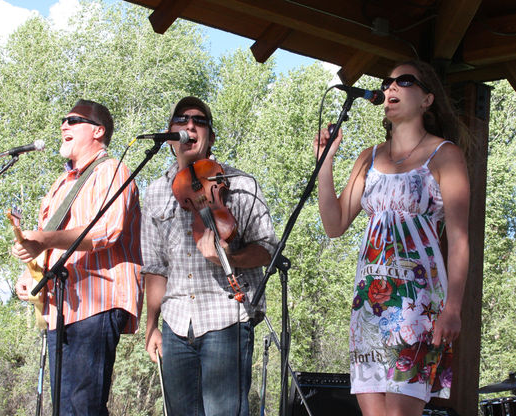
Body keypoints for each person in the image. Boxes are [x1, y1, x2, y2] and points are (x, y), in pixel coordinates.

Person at [313, 61, 470, 416]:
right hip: (368, 300)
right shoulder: (367, 157)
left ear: (428, 99)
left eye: (404, 81)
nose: (391, 88)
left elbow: (460, 239)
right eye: (387, 82)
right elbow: (334, 224)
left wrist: (454, 308)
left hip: (417, 300)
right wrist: (325, 163)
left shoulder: (444, 154)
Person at [142, 96, 278, 416]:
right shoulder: (155, 192)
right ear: (170, 133)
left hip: (226, 318)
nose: (190, 125)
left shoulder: (240, 183)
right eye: (182, 120)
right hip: (175, 324)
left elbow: (268, 249)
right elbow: (154, 267)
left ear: (210, 137)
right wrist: (151, 327)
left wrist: (230, 256)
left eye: (199, 121)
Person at [12, 99, 143, 415]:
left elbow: (107, 230)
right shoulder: (59, 185)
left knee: (84, 406)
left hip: (97, 300)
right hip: (61, 307)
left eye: (73, 120)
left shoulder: (112, 169)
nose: (64, 125)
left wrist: (44, 239)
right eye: (63, 120)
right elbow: (48, 239)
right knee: (64, 407)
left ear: (98, 131)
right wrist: (30, 273)